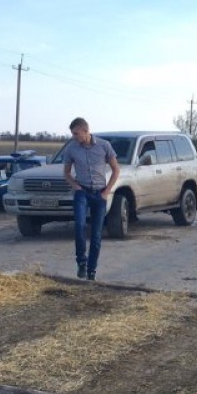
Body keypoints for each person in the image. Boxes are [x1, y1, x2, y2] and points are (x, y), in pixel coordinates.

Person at [61, 117, 120, 281]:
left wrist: (107, 191)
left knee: (96, 234)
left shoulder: (104, 146)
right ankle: (81, 262)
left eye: (76, 133)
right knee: (79, 225)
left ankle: (91, 271)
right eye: (72, 134)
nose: (74, 137)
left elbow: (116, 169)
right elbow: (66, 173)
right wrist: (76, 186)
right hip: (82, 191)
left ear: (86, 131)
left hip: (100, 193)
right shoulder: (71, 148)